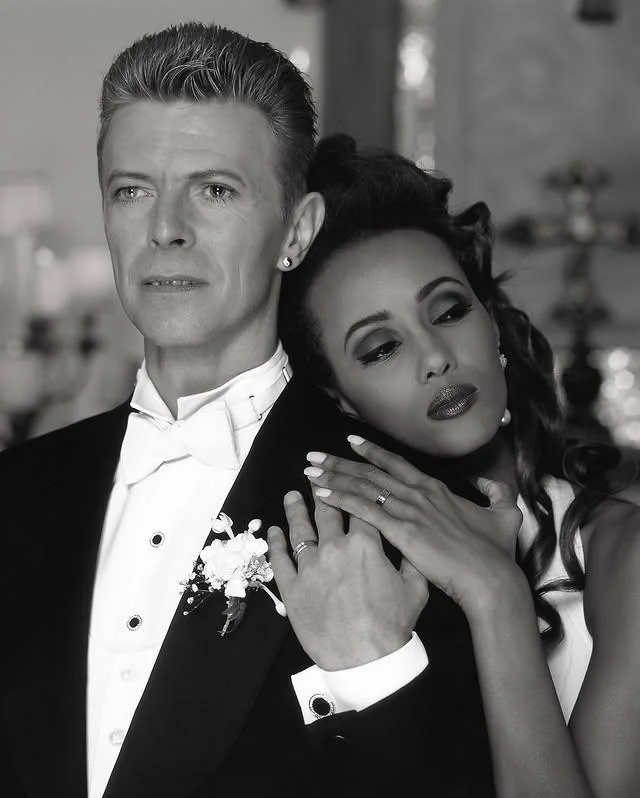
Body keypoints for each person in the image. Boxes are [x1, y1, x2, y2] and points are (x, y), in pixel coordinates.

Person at [0, 24, 496, 798]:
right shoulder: (17, 490)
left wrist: (375, 673)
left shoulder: (405, 513)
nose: (166, 229)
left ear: (296, 232)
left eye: (215, 190)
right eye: (132, 190)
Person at [274, 133, 640, 797]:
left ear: (492, 322)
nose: (436, 357)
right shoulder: (344, 572)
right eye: (381, 348)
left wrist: (495, 593)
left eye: (448, 311)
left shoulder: (625, 552)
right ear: (339, 398)